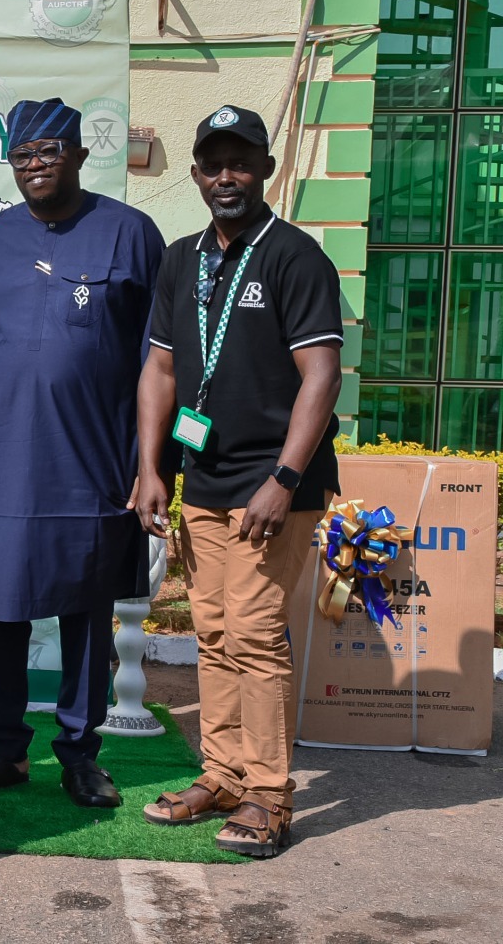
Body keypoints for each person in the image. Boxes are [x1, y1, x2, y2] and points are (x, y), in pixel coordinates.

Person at [0, 97, 164, 808]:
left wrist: (153, 465)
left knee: (86, 614)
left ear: (79, 155)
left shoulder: (129, 233)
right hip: (1, 459)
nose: (35, 166)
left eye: (49, 152)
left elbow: (160, 359)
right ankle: (5, 749)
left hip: (93, 463)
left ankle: (80, 754)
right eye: (22, 155)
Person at [134, 105, 341, 857]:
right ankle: (222, 776)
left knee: (254, 635)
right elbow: (160, 370)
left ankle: (269, 796)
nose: (228, 176)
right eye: (214, 164)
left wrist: (284, 478)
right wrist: (151, 468)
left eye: (242, 163)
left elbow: (321, 375)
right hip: (206, 480)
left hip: (273, 487)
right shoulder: (181, 258)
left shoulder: (295, 257)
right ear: (196, 175)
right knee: (215, 633)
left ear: (266, 171)